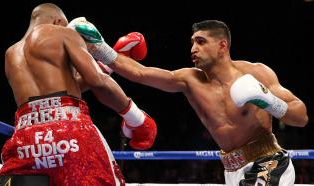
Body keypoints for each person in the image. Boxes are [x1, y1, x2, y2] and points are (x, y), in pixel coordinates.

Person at [74, 19, 308, 185]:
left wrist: (268, 100)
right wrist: (99, 46)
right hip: (231, 169)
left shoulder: (256, 73)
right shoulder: (189, 80)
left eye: (201, 41)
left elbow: (301, 116)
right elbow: (140, 73)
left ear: (222, 46)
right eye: (192, 42)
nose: (193, 49)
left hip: (269, 161)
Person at [0, 3, 157, 186]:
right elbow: (97, 82)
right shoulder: (63, 33)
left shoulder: (10, 54)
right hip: (69, 133)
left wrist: (107, 66)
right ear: (58, 21)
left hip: (26, 141)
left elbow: (59, 90)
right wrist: (135, 117)